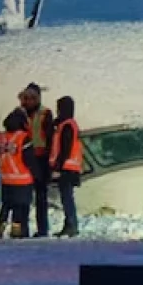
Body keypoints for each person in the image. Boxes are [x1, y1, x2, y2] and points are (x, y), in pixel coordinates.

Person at [18, 83, 54, 237]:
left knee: (40, 196)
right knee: (23, 196)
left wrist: (51, 161)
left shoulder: (45, 114)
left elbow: (50, 137)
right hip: (25, 157)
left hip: (41, 158)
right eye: (26, 98)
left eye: (32, 97)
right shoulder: (20, 114)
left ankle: (42, 229)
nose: (28, 101)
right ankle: (22, 229)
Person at [0, 109, 35, 238]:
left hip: (6, 179)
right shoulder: (23, 137)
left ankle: (1, 228)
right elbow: (29, 158)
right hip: (22, 179)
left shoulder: (2, 137)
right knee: (20, 207)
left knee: (6, 205)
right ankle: (17, 231)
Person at [49, 96, 83, 238]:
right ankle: (69, 224)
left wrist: (58, 167)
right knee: (66, 197)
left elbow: (65, 148)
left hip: (67, 167)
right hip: (69, 166)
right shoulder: (66, 124)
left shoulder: (67, 125)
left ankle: (71, 225)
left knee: (67, 198)